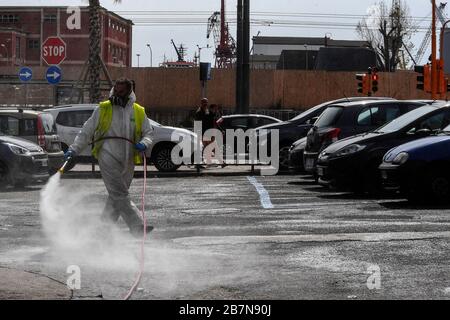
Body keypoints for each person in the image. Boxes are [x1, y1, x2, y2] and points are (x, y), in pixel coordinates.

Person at [64, 78, 154, 237]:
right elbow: (87, 131)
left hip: (128, 159)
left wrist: (144, 143)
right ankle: (137, 226)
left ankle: (103, 231)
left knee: (116, 196)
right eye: (115, 91)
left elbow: (148, 132)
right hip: (108, 155)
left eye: (121, 92)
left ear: (129, 92)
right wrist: (74, 149)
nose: (116, 94)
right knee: (120, 193)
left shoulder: (138, 110)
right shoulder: (103, 108)